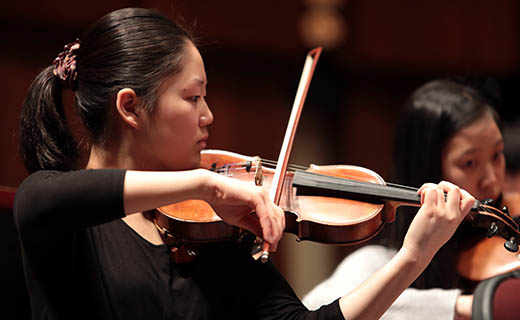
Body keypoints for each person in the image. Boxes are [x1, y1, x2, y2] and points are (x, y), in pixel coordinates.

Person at [14, 8, 474, 320]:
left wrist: (414, 258)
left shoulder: (208, 230)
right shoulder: (67, 221)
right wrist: (204, 186)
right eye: (192, 97)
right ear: (131, 108)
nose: (207, 115)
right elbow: (39, 197)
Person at [302, 79, 505, 319]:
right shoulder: (381, 259)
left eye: (497, 155)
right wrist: (459, 305)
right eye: (469, 163)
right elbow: (316, 304)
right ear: (428, 172)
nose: (491, 180)